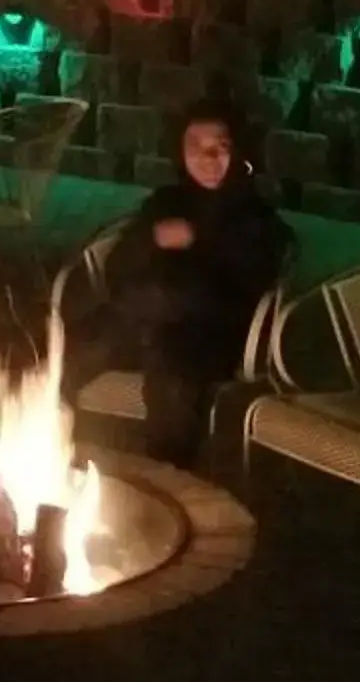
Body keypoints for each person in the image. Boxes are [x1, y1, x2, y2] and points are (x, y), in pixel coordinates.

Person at [64, 100, 292, 465]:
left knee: (173, 380)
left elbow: (250, 282)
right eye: (195, 148)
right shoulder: (167, 202)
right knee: (69, 350)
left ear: (238, 152)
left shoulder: (255, 216)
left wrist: (197, 239)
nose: (208, 158)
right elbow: (118, 267)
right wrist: (153, 238)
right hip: (138, 322)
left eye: (220, 147)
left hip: (203, 336)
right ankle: (52, 453)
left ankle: (169, 479)